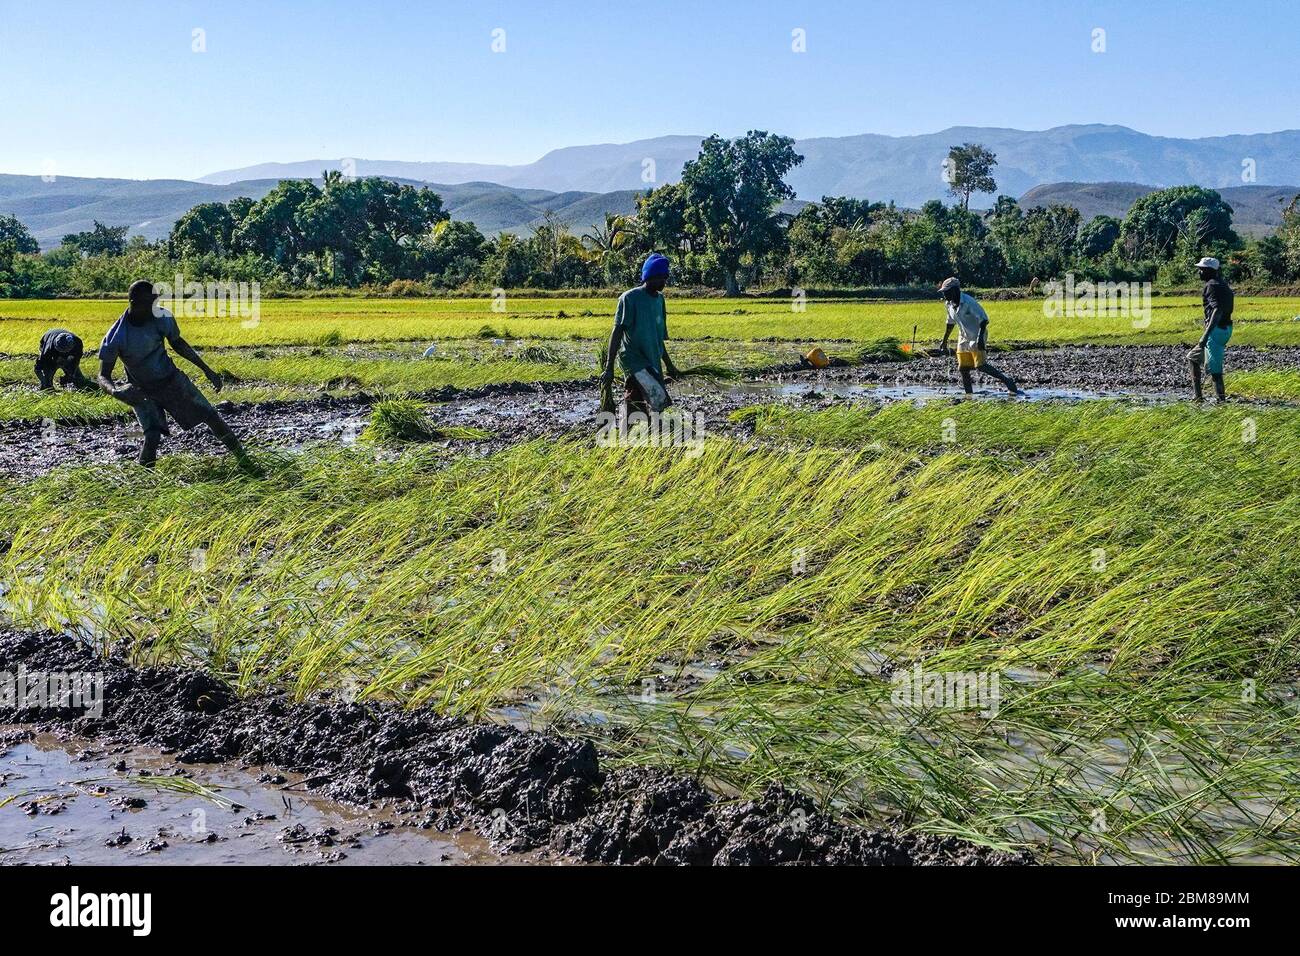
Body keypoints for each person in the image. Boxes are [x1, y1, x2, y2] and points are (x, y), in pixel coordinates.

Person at [97, 279, 254, 469]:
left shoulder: (161, 316)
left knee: (211, 416)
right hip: (142, 390)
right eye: (149, 304)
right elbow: (103, 375)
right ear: (134, 304)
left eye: (156, 302)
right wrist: (116, 391)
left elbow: (178, 343)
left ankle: (244, 460)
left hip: (171, 380)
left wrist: (206, 370)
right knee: (152, 435)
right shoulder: (117, 336)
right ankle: (146, 479)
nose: (155, 307)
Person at [600, 253, 681, 423]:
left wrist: (670, 365)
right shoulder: (629, 298)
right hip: (633, 359)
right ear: (650, 276)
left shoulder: (660, 301)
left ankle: (642, 437)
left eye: (665, 278)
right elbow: (617, 332)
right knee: (656, 398)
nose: (664, 282)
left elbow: (658, 339)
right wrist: (609, 368)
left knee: (647, 403)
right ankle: (635, 436)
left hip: (652, 360)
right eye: (661, 278)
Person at [938, 277, 1020, 396]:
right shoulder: (949, 305)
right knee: (963, 368)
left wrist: (980, 338)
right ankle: (969, 395)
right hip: (963, 337)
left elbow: (984, 319)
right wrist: (944, 341)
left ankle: (1007, 381)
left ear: (955, 290)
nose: (945, 294)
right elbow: (950, 323)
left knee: (981, 366)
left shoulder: (968, 302)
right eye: (944, 292)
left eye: (947, 291)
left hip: (977, 335)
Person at [1188, 256, 1233, 402]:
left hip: (1215, 331)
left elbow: (1217, 310)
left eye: (1201, 269)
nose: (1199, 272)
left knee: (1215, 371)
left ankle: (1220, 402)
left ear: (1209, 271)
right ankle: (1198, 396)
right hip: (1225, 329)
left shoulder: (1211, 286)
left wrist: (1205, 336)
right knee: (1193, 358)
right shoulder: (1223, 284)